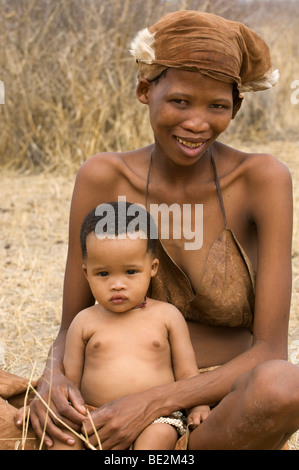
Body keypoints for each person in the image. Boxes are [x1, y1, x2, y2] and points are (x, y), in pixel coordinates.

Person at [9, 9, 299, 450]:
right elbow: (71, 324)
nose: (197, 123)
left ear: (236, 107)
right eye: (180, 101)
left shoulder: (262, 181)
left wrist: (152, 404)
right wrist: (54, 378)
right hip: (107, 405)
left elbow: (269, 351)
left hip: (215, 412)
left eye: (217, 106)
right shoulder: (103, 178)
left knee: (285, 387)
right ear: (145, 90)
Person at [49, 202, 209, 450]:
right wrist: (73, 415)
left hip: (156, 418)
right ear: (86, 273)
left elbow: (187, 374)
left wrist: (198, 406)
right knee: (64, 443)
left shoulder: (167, 316)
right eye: (103, 274)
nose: (117, 284)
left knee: (156, 439)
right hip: (94, 417)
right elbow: (72, 381)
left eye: (131, 271)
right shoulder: (84, 321)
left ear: (152, 268)